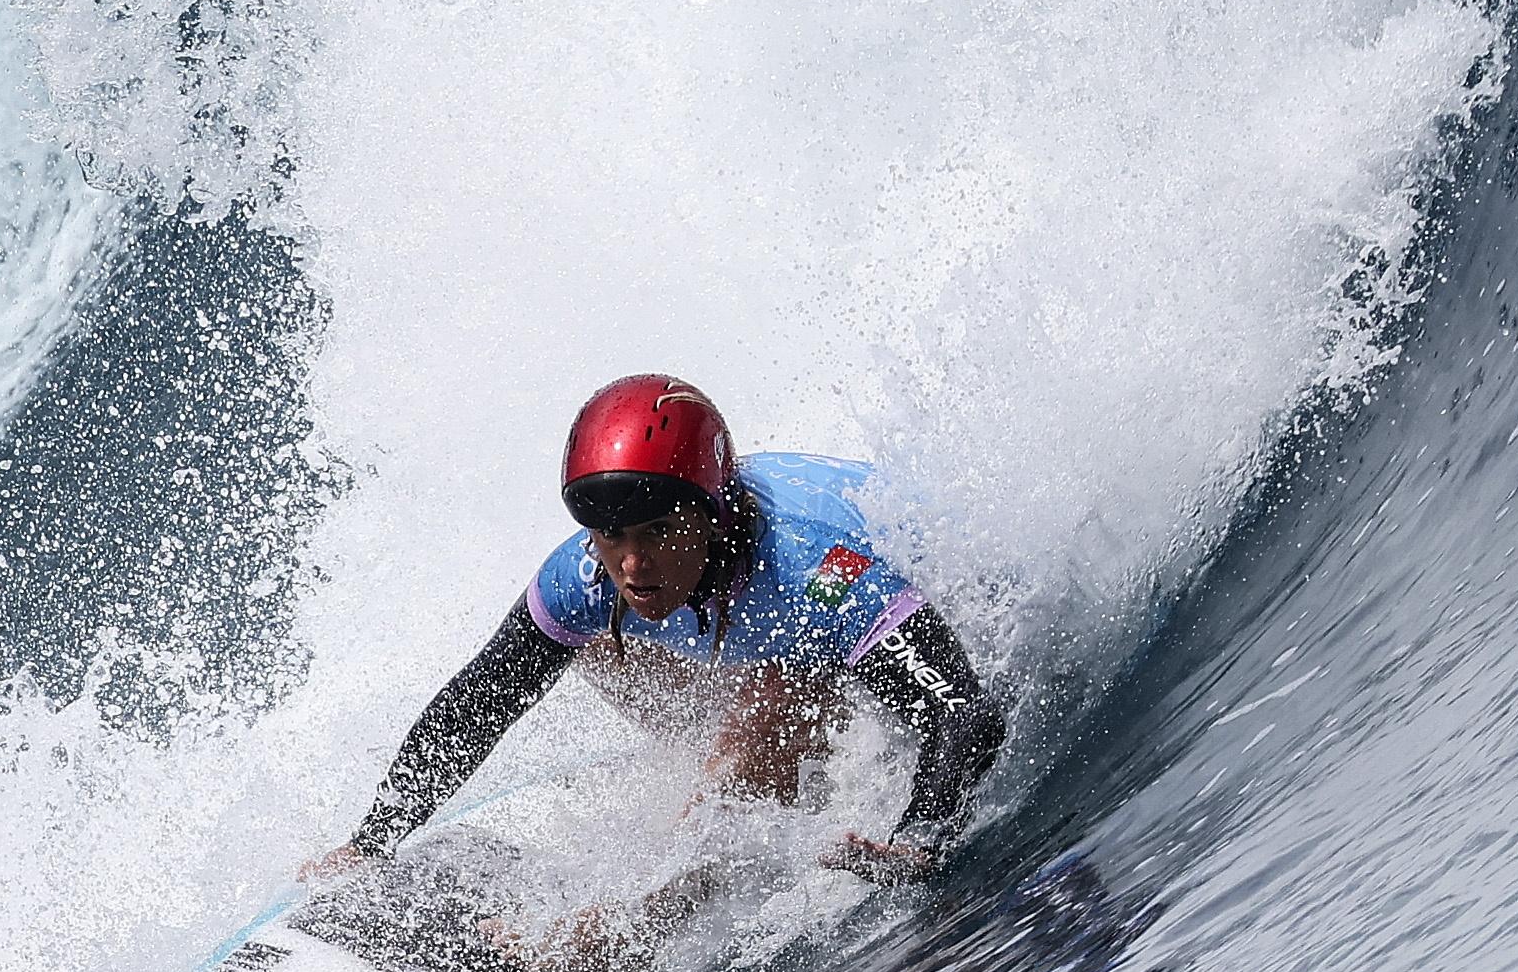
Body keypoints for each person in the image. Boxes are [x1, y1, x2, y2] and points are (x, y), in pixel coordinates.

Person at [310, 373, 1005, 891]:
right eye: (612, 535)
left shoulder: (814, 567)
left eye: (658, 533)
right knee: (583, 643)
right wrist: (373, 838)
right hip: (770, 637)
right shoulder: (586, 570)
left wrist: (921, 836)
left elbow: (963, 711)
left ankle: (684, 861)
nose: (632, 563)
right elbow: (482, 698)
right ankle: (733, 765)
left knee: (764, 718)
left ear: (710, 514)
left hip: (926, 608)